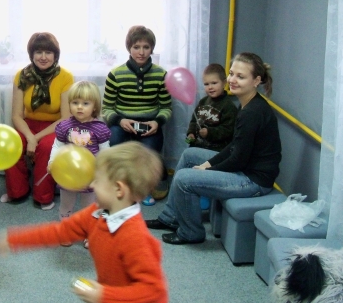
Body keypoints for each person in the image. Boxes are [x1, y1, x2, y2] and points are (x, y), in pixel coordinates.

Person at [0, 142, 170, 303]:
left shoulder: (134, 238)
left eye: (98, 181)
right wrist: (15, 240)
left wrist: (104, 296)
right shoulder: (96, 213)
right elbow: (60, 232)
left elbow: (153, 289)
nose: (92, 185)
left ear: (119, 189)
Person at [146, 52, 282, 245]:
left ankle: (191, 232)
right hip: (245, 169)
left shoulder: (252, 113)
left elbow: (238, 160)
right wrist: (208, 163)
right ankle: (170, 217)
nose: (232, 80)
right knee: (189, 154)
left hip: (254, 181)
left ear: (256, 81)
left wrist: (208, 169)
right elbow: (235, 146)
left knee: (184, 179)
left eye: (240, 76)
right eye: (231, 73)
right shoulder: (248, 104)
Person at [1, 32, 74, 210]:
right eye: (38, 52)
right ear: (31, 54)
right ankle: (17, 192)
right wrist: (29, 136)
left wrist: (36, 139)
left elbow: (66, 118)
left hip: (54, 126)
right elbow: (16, 115)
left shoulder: (65, 77)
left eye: (48, 52)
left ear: (55, 55)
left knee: (47, 147)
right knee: (10, 143)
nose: (43, 57)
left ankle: (43, 196)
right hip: (28, 124)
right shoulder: (21, 76)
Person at [102, 25, 172, 206]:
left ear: (152, 49)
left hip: (150, 123)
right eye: (136, 47)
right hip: (122, 121)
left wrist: (157, 122)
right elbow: (106, 108)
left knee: (150, 152)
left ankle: (145, 188)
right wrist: (120, 120)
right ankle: (120, 186)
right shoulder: (115, 74)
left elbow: (166, 107)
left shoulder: (161, 75)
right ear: (129, 48)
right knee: (116, 144)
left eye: (146, 47)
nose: (141, 52)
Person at [47, 80, 111, 248]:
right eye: (75, 103)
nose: (80, 107)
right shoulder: (64, 126)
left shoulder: (100, 128)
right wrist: (52, 161)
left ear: (95, 106)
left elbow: (105, 152)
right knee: (66, 205)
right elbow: (57, 146)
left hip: (90, 176)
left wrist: (103, 172)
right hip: (68, 175)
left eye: (85, 103)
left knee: (89, 208)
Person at [186, 63, 237, 152]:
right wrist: (191, 133)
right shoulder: (202, 102)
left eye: (214, 83)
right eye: (206, 84)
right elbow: (194, 121)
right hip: (197, 147)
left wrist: (209, 132)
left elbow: (228, 130)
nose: (210, 87)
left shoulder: (229, 106)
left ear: (224, 83)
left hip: (216, 151)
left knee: (186, 154)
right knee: (187, 154)